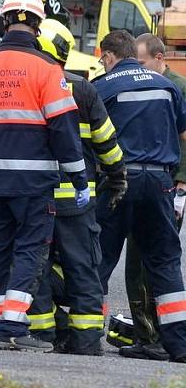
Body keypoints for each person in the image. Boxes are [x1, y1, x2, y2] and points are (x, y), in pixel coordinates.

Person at [0, 0, 88, 352]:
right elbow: (64, 129)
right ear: (37, 24)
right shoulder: (48, 69)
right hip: (33, 183)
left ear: (5, 22)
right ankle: (10, 328)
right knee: (31, 250)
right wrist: (78, 177)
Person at [27, 18, 126, 356]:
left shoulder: (29, 85)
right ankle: (85, 342)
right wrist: (117, 178)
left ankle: (44, 337)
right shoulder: (84, 89)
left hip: (37, 198)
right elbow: (106, 142)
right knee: (83, 268)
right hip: (78, 201)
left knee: (35, 267)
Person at [94, 29, 186, 362]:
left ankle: (89, 337)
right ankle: (178, 344)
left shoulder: (102, 87)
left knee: (99, 257)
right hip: (161, 181)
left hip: (120, 180)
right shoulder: (167, 85)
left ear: (108, 56)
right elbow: (181, 130)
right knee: (163, 262)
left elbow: (88, 140)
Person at [121, 33, 186, 359]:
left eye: (143, 62)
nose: (138, 69)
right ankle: (149, 334)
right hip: (153, 183)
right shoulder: (149, 85)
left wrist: (183, 186)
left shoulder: (176, 87)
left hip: (167, 186)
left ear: (160, 58)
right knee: (139, 264)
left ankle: (159, 336)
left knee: (155, 263)